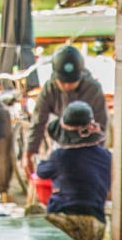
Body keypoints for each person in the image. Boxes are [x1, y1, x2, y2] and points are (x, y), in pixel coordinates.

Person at [35, 101, 112, 240]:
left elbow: (41, 171)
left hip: (68, 226)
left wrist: (50, 152)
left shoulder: (61, 156)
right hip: (98, 227)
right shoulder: (106, 155)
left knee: (33, 214)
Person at [23, 45, 108, 178]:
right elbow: (38, 122)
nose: (67, 86)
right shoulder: (49, 89)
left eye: (72, 82)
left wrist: (94, 156)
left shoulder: (93, 89)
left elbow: (101, 126)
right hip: (62, 141)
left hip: (88, 144)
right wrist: (28, 153)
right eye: (62, 82)